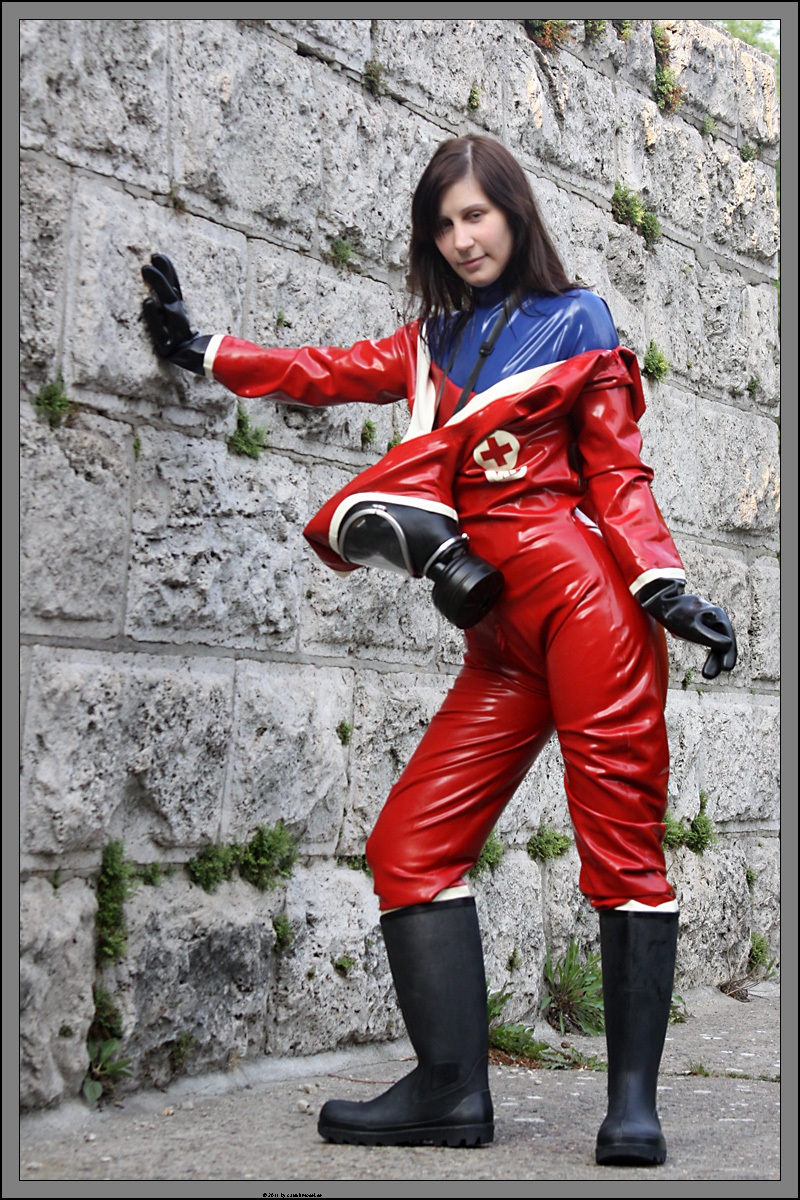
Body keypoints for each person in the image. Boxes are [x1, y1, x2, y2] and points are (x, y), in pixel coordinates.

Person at [141, 134, 737, 1166]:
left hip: (586, 610)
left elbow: (617, 473)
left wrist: (665, 585)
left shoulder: (578, 321)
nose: (463, 238)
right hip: (496, 636)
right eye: (444, 223)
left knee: (621, 849)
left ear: (514, 214)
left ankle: (632, 1109)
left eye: (478, 215)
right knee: (409, 846)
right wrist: (203, 350)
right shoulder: (429, 343)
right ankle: (450, 1088)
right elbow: (322, 372)